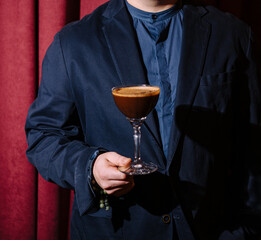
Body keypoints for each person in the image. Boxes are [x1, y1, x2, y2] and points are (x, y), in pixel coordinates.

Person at [25, 0, 261, 239]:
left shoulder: (233, 35)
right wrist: (90, 167)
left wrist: (244, 231)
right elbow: (43, 136)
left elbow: (254, 147)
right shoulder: (74, 42)